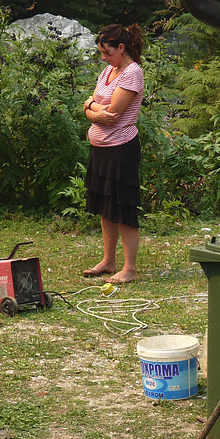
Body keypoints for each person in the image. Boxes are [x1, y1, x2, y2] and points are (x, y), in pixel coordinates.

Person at [81, 24, 145, 284]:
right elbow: (94, 107)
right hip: (101, 149)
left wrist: (90, 107)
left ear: (122, 47)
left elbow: (112, 115)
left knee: (123, 206)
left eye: (107, 52)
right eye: (101, 54)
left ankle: (129, 269)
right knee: (105, 205)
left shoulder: (132, 73)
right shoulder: (109, 70)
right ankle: (108, 261)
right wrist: (93, 109)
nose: (103, 58)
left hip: (121, 149)